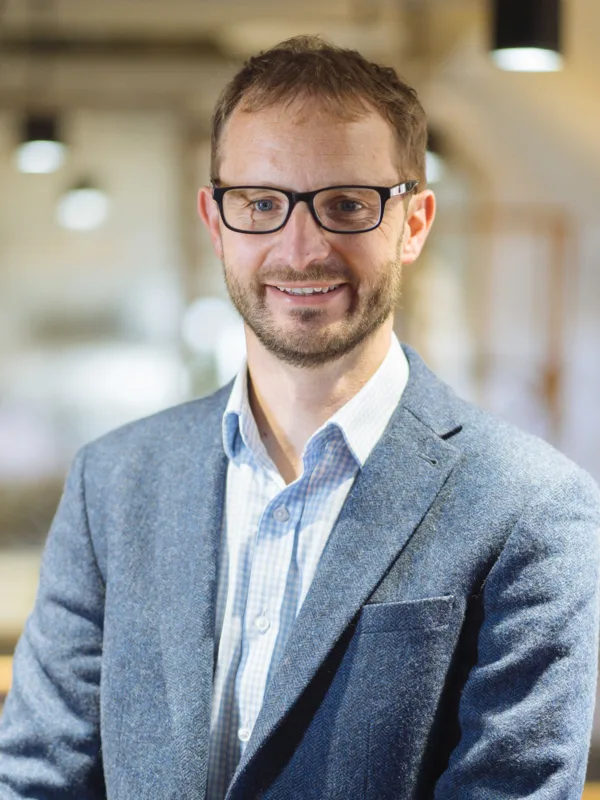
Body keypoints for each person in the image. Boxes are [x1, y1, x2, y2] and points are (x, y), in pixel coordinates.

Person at [1, 35, 599, 800]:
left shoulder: (532, 507)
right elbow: (38, 775)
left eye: (347, 204)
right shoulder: (113, 482)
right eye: (261, 203)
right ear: (215, 221)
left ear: (414, 223)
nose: (302, 248)